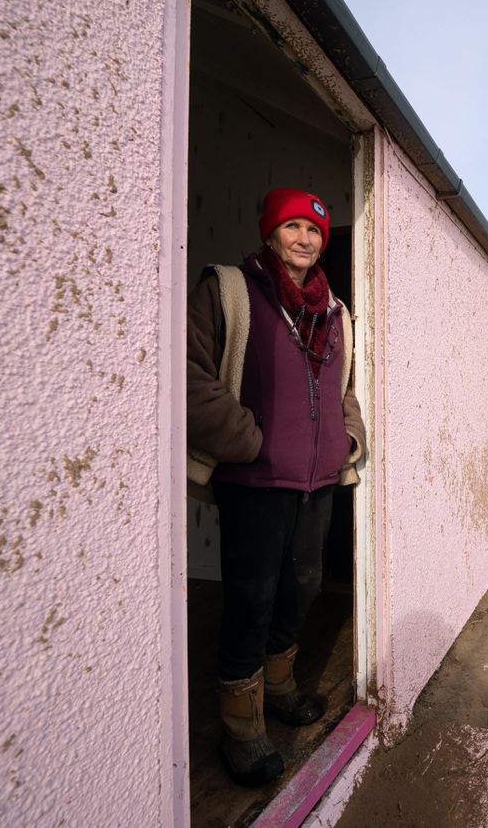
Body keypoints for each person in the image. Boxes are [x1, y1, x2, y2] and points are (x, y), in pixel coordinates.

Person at [187, 187, 366, 787]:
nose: (306, 238)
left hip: (317, 482)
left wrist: (349, 440)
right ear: (270, 234)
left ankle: (282, 686)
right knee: (251, 600)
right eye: (292, 226)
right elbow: (188, 375)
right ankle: (241, 726)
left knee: (305, 587)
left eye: (315, 229)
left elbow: (345, 392)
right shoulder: (231, 290)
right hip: (255, 482)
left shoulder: (333, 311)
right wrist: (248, 440)